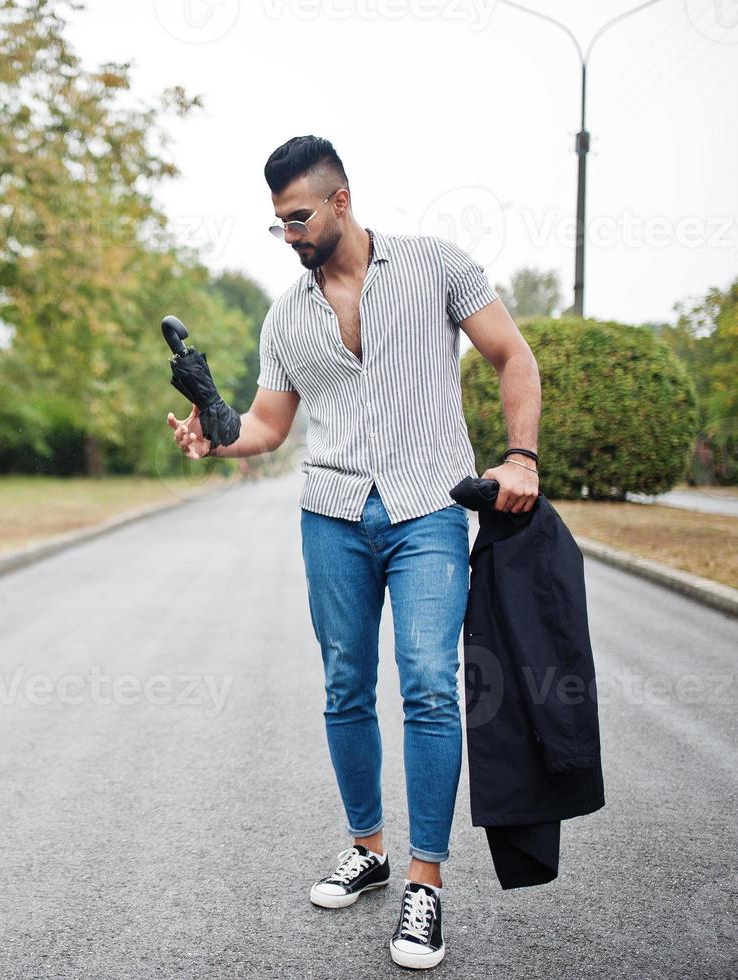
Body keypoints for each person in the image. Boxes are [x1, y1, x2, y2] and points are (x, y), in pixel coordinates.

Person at [167, 135, 541, 970]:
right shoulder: (285, 315)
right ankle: (367, 847)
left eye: (297, 217)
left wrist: (520, 456)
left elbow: (511, 355)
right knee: (343, 685)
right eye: (276, 225)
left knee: (429, 688)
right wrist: (212, 438)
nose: (289, 235)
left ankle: (424, 883)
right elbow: (266, 427)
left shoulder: (436, 266)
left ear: (340, 200)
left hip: (426, 511)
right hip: (331, 515)